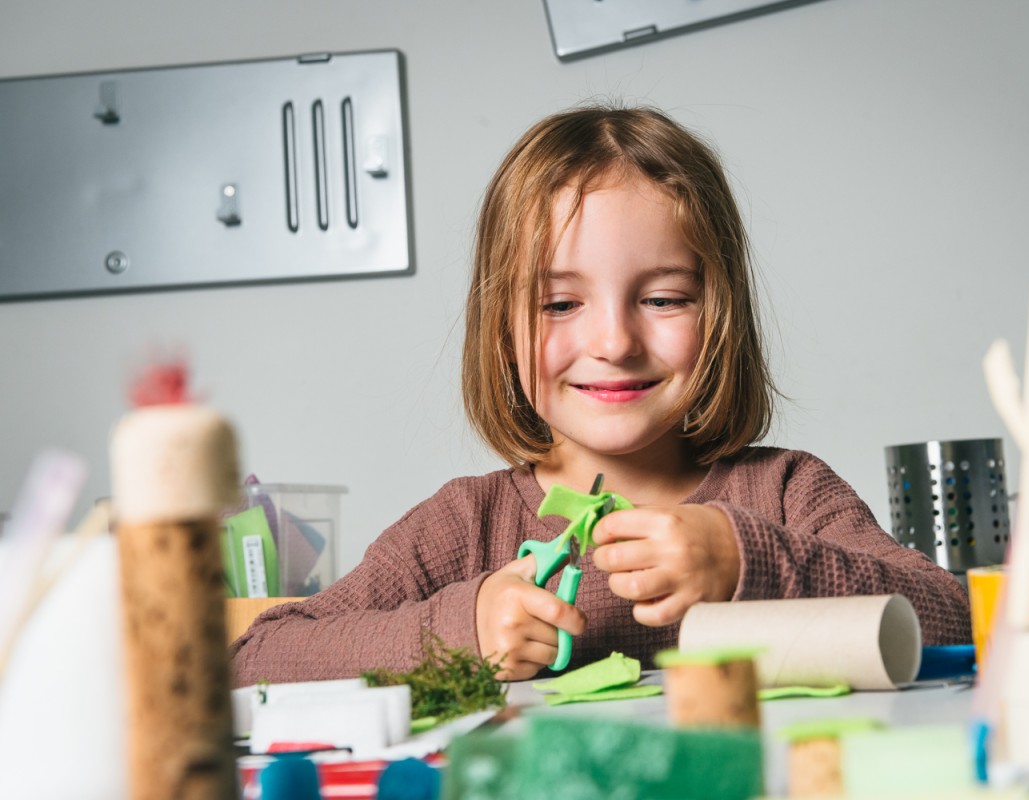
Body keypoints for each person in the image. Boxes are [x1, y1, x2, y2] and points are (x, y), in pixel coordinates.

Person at [230, 105, 970, 686]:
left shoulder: (784, 493)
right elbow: (256, 658)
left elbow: (956, 617)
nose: (614, 343)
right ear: (502, 336)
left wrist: (751, 562)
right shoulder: (465, 526)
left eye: (664, 299)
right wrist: (464, 629)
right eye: (559, 305)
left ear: (722, 317)